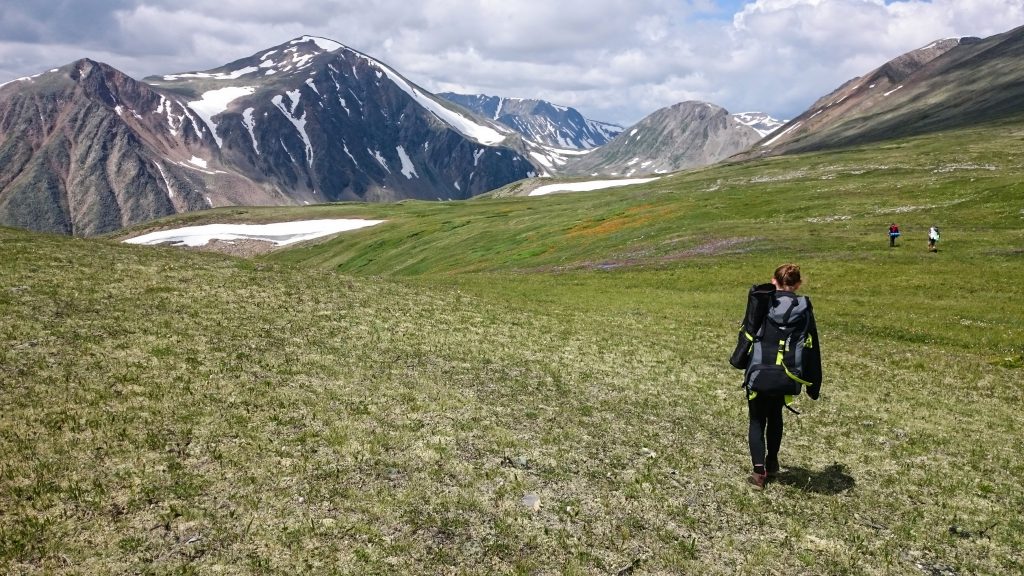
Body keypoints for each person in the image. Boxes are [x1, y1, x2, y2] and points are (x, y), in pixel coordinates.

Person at [740, 264, 822, 489]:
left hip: (758, 372)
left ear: (773, 281)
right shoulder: (803, 308)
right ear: (797, 284)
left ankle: (759, 474)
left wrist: (738, 360)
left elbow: (747, 331)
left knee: (757, 420)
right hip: (786, 374)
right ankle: (772, 461)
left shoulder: (762, 302)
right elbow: (812, 348)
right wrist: (814, 385)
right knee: (775, 416)